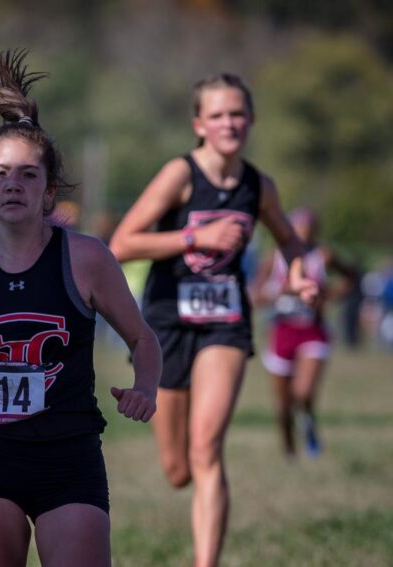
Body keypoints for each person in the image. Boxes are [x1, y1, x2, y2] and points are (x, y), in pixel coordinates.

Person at [0, 50, 162, 567]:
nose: (13, 184)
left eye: (28, 175)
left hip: (69, 457)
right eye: (0, 174)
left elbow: (143, 340)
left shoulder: (86, 258)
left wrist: (145, 387)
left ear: (48, 192)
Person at [108, 73, 318, 567]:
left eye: (238, 114)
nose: (230, 123)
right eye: (218, 115)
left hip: (226, 323)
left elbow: (290, 239)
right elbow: (122, 243)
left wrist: (302, 275)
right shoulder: (180, 175)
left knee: (207, 447)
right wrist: (194, 239)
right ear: (199, 124)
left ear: (251, 121)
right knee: (178, 468)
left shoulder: (257, 185)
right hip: (167, 324)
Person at [252, 208, 358, 459]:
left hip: (313, 331)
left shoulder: (324, 256)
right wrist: (279, 292)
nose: (303, 235)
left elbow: (352, 276)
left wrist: (330, 295)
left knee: (303, 392)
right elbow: (255, 294)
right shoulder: (274, 257)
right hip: (281, 331)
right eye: (298, 229)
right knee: (284, 405)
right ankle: (290, 454)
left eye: (309, 230)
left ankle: (308, 426)